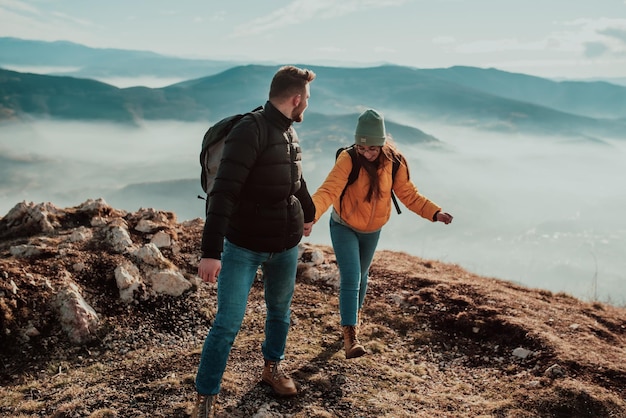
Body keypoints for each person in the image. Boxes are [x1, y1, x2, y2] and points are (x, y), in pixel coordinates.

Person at [192, 65, 316, 418]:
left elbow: (295, 176)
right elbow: (223, 192)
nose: (307, 103)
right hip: (243, 246)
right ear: (296, 99)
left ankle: (271, 368)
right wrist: (210, 252)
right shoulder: (251, 130)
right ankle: (206, 396)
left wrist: (307, 212)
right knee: (228, 322)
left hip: (286, 243)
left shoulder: (288, 131)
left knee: (280, 312)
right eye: (306, 98)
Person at [311, 108, 453, 359]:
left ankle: (353, 319)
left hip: (372, 230)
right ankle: (350, 335)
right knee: (352, 277)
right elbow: (329, 190)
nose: (366, 153)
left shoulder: (394, 162)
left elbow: (409, 194)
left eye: (372, 149)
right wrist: (310, 215)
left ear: (382, 144)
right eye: (362, 148)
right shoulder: (348, 158)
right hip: (343, 225)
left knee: (362, 276)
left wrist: (434, 212)